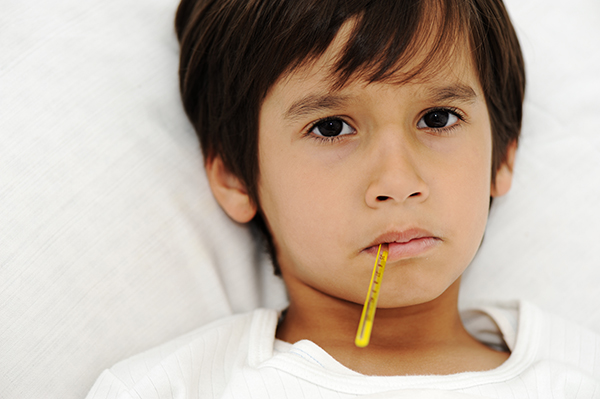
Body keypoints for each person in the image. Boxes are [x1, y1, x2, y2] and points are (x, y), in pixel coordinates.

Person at [86, 0, 600, 397]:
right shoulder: (171, 388)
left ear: (503, 156)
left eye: (438, 118)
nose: (397, 181)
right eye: (331, 127)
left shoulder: (579, 373)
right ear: (236, 178)